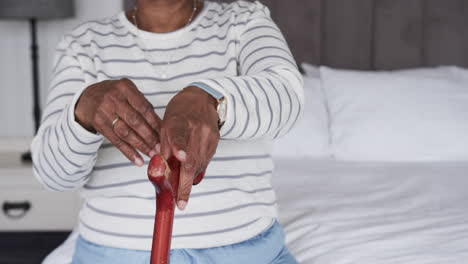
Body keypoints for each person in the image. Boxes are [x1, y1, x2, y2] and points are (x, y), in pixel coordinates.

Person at [31, 0, 304, 262]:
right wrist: (83, 111)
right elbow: (52, 175)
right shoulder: (83, 44)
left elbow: (287, 96)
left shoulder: (245, 21)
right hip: (112, 254)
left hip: (248, 253)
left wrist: (212, 100)